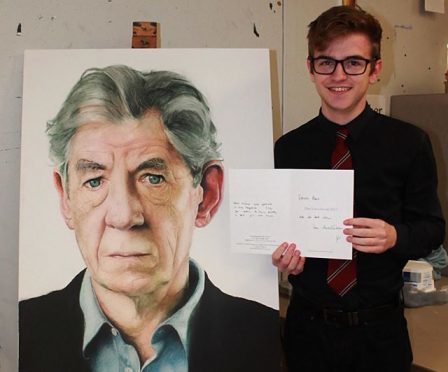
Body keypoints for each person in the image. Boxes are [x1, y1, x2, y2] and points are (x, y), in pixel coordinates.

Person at [19, 65, 281, 372]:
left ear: (206, 195)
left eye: (153, 178)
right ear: (66, 197)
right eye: (94, 181)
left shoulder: (268, 336)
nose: (123, 215)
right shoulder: (20, 331)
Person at [272, 6, 445, 372]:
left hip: (380, 334)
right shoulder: (288, 148)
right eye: (326, 63)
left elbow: (432, 229)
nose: (338, 75)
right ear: (310, 67)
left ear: (375, 69)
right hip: (307, 330)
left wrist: (394, 235)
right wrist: (281, 257)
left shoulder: (410, 143)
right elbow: (279, 229)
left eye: (353, 63)